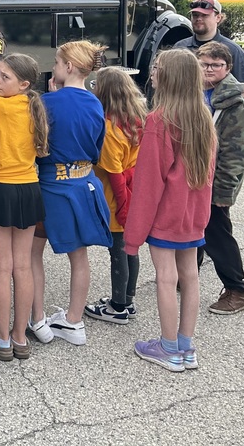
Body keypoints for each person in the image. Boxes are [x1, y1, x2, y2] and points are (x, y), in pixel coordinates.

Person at [125, 49, 216, 373]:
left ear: (170, 77)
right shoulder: (204, 118)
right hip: (193, 217)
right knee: (190, 276)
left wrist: (132, 236)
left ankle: (166, 347)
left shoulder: (159, 121)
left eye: (158, 68)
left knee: (166, 277)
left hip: (165, 217)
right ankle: (186, 346)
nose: (152, 72)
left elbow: (149, 186)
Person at [29, 41, 111, 347]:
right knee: (80, 257)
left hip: (50, 185)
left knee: (32, 253)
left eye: (57, 61)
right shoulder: (95, 103)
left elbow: (37, 146)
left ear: (69, 67)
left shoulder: (47, 103)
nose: (55, 66)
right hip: (83, 183)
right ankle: (73, 321)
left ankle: (36, 317)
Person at [0, 53, 48, 362]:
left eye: (5, 77)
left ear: (24, 83)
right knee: (23, 266)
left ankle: (2, 339)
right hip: (29, 189)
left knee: (2, 267)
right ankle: (20, 337)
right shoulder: (35, 108)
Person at [84, 66, 147, 324]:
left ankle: (118, 305)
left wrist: (122, 209)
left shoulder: (110, 129)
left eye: (97, 84)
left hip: (115, 197)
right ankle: (127, 300)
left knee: (118, 250)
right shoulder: (137, 118)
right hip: (136, 189)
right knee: (131, 249)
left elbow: (115, 174)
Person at [197, 41, 244, 316]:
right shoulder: (197, 92)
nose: (208, 69)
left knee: (217, 234)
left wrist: (224, 191)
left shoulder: (235, 105)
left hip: (216, 182)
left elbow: (235, 153)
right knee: (193, 227)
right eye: (204, 64)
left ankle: (236, 290)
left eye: (215, 65)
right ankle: (188, 277)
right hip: (195, 177)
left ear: (228, 68)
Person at [175, 0, 244, 98]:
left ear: (218, 17)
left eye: (204, 15)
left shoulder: (233, 50)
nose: (198, 19)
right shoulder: (180, 48)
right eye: (195, 15)